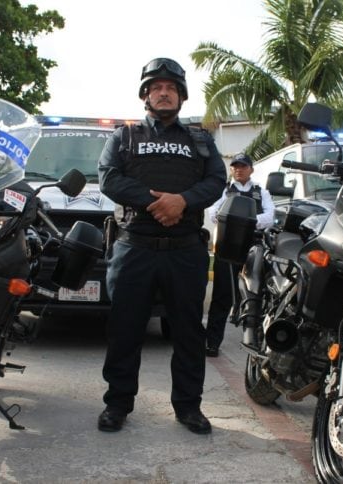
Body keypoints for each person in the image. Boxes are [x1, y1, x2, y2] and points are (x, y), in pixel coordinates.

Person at [96, 58, 227, 435]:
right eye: (157, 87)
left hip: (185, 249)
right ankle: (117, 404)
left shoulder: (201, 140)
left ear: (182, 97)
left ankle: (188, 407)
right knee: (125, 329)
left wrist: (182, 202)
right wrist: (158, 203)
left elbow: (216, 180)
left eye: (171, 88)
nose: (164, 92)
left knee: (188, 332)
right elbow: (108, 178)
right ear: (146, 96)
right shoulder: (124, 137)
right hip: (135, 247)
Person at [205, 153, 275, 357]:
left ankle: (257, 342)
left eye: (243, 166)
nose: (238, 169)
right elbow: (213, 213)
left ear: (251, 169)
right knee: (222, 296)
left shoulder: (261, 192)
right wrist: (245, 219)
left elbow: (270, 216)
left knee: (257, 295)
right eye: (235, 166)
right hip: (227, 249)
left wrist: (243, 220)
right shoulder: (224, 190)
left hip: (253, 250)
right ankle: (212, 343)